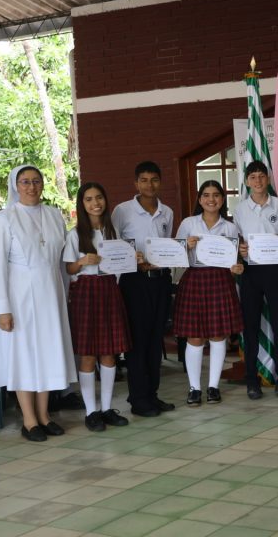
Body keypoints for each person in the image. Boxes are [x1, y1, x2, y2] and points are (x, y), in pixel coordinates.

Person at [0, 165, 76, 442]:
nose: (31, 186)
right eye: (25, 181)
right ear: (16, 185)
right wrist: (3, 308)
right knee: (23, 355)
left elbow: (60, 260)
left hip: (51, 294)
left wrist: (66, 294)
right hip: (19, 295)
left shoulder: (54, 214)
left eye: (36, 181)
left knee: (47, 352)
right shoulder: (4, 218)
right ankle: (29, 420)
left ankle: (44, 415)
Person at [64, 183, 132, 432]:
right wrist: (82, 261)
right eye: (89, 199)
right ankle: (91, 411)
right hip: (85, 291)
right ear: (82, 204)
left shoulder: (112, 231)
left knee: (109, 352)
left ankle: (106, 409)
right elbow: (69, 268)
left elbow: (121, 262)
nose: (95, 203)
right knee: (88, 354)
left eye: (99, 198)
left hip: (109, 288)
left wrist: (132, 258)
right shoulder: (75, 234)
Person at [111, 161, 176, 417]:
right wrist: (133, 260)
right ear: (136, 183)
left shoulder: (167, 212)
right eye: (144, 180)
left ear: (160, 182)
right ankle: (138, 399)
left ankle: (152, 395)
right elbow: (114, 245)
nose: (150, 185)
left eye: (154, 179)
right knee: (137, 341)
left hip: (160, 281)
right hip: (134, 283)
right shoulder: (122, 211)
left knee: (155, 338)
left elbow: (166, 246)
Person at [175, 180, 245, 406]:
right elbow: (175, 256)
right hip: (195, 279)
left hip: (221, 281)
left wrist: (237, 268)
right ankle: (194, 388)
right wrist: (185, 246)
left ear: (222, 200)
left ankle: (213, 387)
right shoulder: (188, 223)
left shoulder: (230, 227)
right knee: (194, 337)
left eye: (216, 195)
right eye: (206, 195)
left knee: (218, 335)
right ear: (200, 199)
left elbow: (235, 260)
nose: (211, 199)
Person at [235, 161, 278, 400]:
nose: (258, 181)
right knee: (250, 326)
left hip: (276, 271)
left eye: (262, 176)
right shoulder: (240, 209)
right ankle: (252, 380)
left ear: (268, 180)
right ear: (247, 181)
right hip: (251, 271)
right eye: (253, 177)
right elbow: (237, 240)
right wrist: (240, 249)